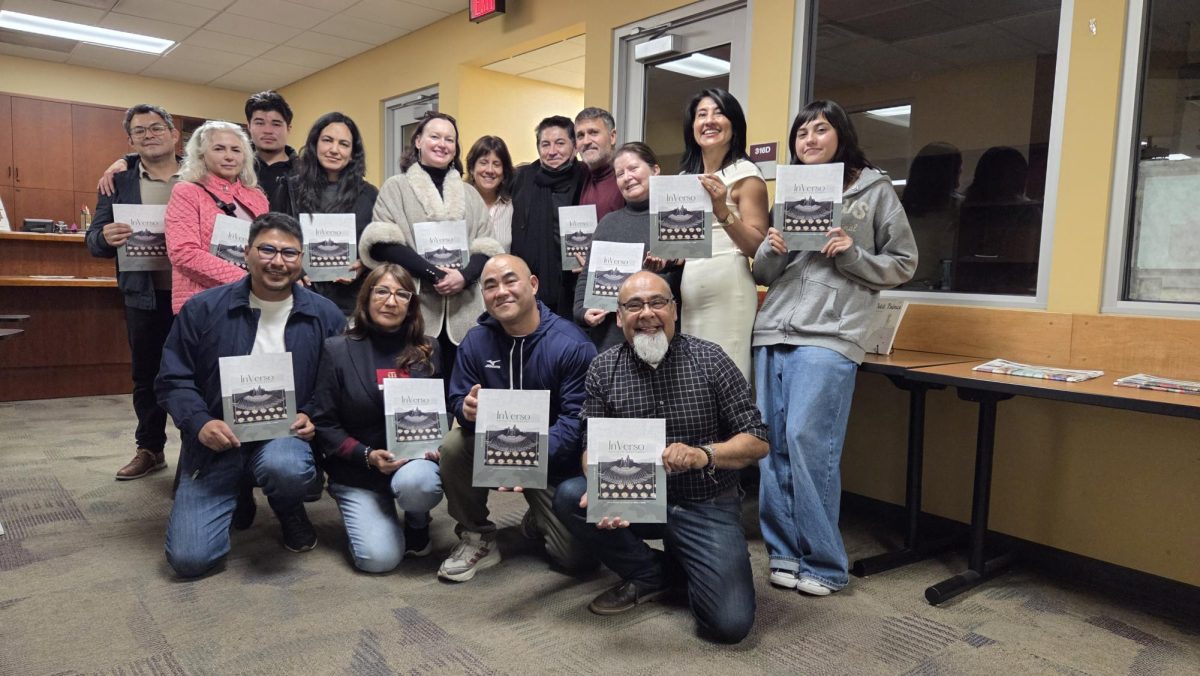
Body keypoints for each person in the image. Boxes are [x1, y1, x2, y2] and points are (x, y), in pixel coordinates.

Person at [754, 100, 917, 596]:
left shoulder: (874, 189)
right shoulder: (793, 190)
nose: (809, 140)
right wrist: (771, 248)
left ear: (841, 135)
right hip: (774, 328)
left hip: (830, 333)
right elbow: (763, 273)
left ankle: (824, 563)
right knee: (770, 445)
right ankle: (784, 551)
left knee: (809, 442)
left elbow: (904, 262)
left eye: (820, 130)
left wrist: (852, 253)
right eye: (801, 133)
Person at [553, 271, 768, 644]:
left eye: (657, 302)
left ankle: (693, 563)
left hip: (705, 502)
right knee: (572, 496)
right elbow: (591, 445)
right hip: (637, 499)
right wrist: (602, 489)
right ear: (619, 316)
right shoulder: (603, 368)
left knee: (728, 624)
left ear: (675, 310)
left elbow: (758, 440)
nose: (647, 313)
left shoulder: (711, 359)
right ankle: (653, 573)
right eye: (634, 305)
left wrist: (704, 454)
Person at [156, 213, 346, 578]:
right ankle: (238, 488)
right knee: (190, 561)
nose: (278, 261)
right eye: (267, 250)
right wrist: (200, 423)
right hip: (217, 443)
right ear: (246, 253)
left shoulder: (326, 315)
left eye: (289, 253)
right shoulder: (203, 309)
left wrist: (311, 414)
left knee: (286, 469)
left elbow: (335, 385)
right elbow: (172, 379)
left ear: (301, 258)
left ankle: (287, 505)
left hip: (284, 440)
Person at [437, 254, 598, 582]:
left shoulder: (572, 345)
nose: (501, 291)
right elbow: (457, 398)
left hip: (555, 463)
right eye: (490, 285)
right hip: (495, 447)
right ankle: (476, 534)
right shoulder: (475, 341)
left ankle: (540, 517)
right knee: (454, 444)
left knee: (577, 560)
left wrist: (524, 455)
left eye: (510, 281)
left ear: (533, 285)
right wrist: (466, 410)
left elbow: (576, 422)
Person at [309, 264, 443, 573]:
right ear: (366, 297)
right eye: (382, 291)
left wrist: (437, 443)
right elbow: (325, 423)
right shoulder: (336, 350)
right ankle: (363, 504)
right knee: (378, 560)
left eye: (401, 294)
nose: (391, 301)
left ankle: (417, 519)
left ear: (411, 304)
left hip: (412, 465)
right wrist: (366, 456)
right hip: (359, 469)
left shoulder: (429, 348)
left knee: (420, 484)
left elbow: (442, 409)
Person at [359, 112, 503, 381]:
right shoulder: (396, 188)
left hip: (466, 307)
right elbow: (382, 244)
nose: (442, 144)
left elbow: (488, 246)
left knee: (465, 387)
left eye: (449, 139)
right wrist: (434, 274)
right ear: (418, 141)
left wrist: (464, 277)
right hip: (415, 308)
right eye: (434, 136)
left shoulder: (470, 194)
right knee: (418, 388)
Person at [85, 103, 183, 480]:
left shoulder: (199, 174)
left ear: (174, 134)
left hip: (194, 295)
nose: (148, 135)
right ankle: (150, 448)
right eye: (139, 131)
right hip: (144, 295)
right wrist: (105, 238)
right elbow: (93, 240)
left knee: (200, 372)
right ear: (130, 141)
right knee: (147, 375)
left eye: (156, 128)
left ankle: (201, 451)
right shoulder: (118, 181)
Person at [676, 89, 768, 380]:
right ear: (692, 126)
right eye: (701, 115)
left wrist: (722, 210)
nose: (709, 121)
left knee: (727, 377)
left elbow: (758, 246)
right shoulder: (684, 179)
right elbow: (683, 245)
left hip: (729, 286)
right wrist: (667, 254)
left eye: (718, 113)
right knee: (693, 381)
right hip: (691, 287)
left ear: (734, 123)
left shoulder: (746, 174)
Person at [96, 91, 297, 208]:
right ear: (249, 127)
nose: (268, 130)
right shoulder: (225, 166)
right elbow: (164, 157)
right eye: (259, 123)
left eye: (276, 124)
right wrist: (127, 160)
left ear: (288, 128)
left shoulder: (305, 171)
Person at [573, 142, 682, 351]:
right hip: (611, 340)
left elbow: (690, 277)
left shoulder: (674, 219)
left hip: (661, 335)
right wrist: (582, 312)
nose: (627, 177)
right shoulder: (608, 223)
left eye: (633, 168)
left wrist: (666, 267)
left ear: (655, 170)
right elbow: (587, 277)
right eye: (620, 174)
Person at [274, 112, 379, 315]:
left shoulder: (369, 195)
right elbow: (274, 238)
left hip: (350, 304)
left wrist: (364, 264)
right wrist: (294, 268)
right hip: (297, 300)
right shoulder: (289, 189)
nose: (334, 150)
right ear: (315, 144)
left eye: (343, 144)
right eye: (327, 140)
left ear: (352, 153)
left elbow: (376, 244)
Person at [164, 120, 267, 314]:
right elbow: (183, 253)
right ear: (201, 154)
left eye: (236, 150)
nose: (229, 156)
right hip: (206, 304)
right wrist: (248, 281)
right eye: (219, 149)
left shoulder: (257, 196)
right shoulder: (187, 191)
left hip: (253, 301)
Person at [510, 116, 590, 318]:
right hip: (532, 285)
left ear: (575, 146)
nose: (552, 151)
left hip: (577, 283)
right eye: (545, 144)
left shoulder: (587, 177)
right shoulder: (522, 179)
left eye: (560, 143)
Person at [901, 142, 963, 290]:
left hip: (908, 289)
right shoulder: (959, 208)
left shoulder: (901, 208)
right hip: (930, 289)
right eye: (957, 170)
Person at [465, 135, 514, 251]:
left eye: (496, 164)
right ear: (471, 168)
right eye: (483, 163)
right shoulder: (460, 204)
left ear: (504, 172)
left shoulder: (511, 207)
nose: (490, 170)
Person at [574, 107, 623, 220]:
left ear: (612, 137)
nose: (586, 141)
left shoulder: (628, 178)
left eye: (593, 133)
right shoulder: (578, 177)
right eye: (580, 135)